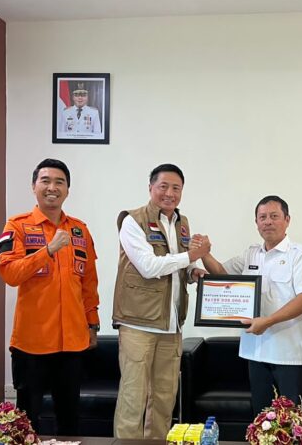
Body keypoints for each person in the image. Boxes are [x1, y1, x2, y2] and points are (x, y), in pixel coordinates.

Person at [0, 158, 100, 435]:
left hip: (72, 342)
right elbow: (10, 274)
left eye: (59, 182)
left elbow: (89, 284)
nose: (52, 187)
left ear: (67, 190)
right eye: (45, 181)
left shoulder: (79, 229)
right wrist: (48, 251)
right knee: (26, 421)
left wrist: (92, 325)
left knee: (69, 419)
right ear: (34, 186)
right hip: (32, 344)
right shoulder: (17, 226)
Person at [112, 163, 210, 439]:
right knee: (133, 398)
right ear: (150, 188)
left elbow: (176, 266)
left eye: (176, 188)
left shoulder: (182, 223)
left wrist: (192, 272)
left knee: (165, 400)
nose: (170, 193)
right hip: (138, 324)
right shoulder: (132, 220)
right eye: (163, 186)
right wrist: (191, 257)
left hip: (171, 325)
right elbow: (148, 266)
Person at [199, 195, 302, 415]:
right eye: (262, 217)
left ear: (287, 220)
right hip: (255, 352)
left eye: (274, 216)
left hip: (289, 354)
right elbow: (222, 274)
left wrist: (269, 321)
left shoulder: (299, 254)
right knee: (261, 420)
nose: (268, 221)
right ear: (256, 223)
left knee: (294, 422)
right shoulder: (251, 254)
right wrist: (203, 253)